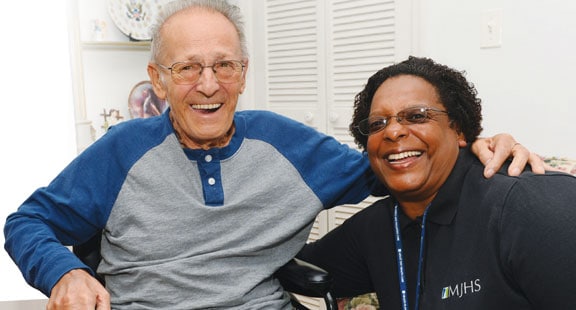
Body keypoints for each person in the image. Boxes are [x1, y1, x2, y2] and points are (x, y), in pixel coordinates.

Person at [3, 1, 542, 309]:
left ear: (244, 73)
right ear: (159, 81)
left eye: (224, 65)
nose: (208, 85)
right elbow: (27, 222)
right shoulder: (120, 151)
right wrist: (62, 274)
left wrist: (473, 144)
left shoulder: (286, 143)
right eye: (188, 67)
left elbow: (394, 163)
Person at [296, 56, 576, 309]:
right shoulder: (375, 227)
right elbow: (285, 265)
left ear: (459, 130)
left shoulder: (527, 206)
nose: (392, 131)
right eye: (377, 124)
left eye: (416, 116)